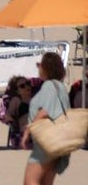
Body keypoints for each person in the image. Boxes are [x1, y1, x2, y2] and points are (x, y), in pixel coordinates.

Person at [22, 52, 72, 183]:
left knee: (30, 181)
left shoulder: (49, 86)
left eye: (40, 65)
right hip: (58, 143)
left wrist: (27, 132)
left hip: (46, 143)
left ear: (47, 69)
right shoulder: (61, 87)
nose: (38, 68)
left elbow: (44, 112)